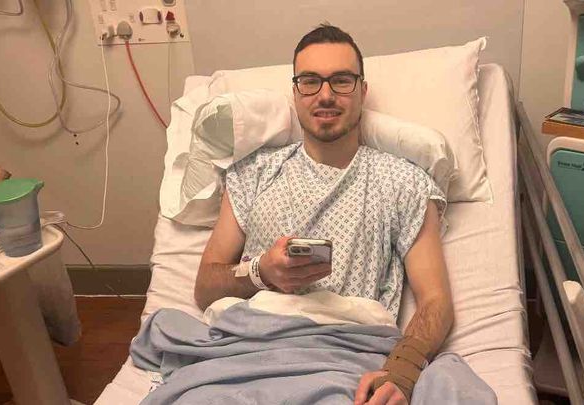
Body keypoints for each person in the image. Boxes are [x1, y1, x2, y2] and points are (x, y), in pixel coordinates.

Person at [194, 24, 453, 405]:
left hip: (349, 359)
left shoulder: (405, 183)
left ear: (362, 91)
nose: (326, 95)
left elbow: (435, 301)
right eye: (310, 81)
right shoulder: (252, 174)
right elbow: (205, 285)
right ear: (295, 92)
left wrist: (402, 372)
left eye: (342, 81)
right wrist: (260, 272)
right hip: (248, 352)